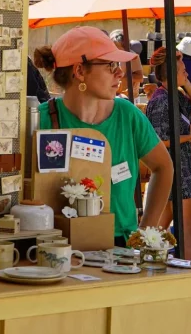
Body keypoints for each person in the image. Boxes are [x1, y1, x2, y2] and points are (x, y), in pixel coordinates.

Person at [34, 27, 174, 245]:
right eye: (110, 65)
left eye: (118, 65)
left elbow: (164, 167)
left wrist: (146, 232)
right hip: (55, 245)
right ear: (79, 71)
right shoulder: (39, 120)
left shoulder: (128, 115)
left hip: (120, 246)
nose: (119, 73)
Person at [144, 47, 191, 259]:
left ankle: (144, 256)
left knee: (161, 225)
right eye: (183, 71)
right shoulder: (161, 101)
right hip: (174, 168)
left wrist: (186, 82)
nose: (187, 74)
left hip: (181, 168)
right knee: (185, 225)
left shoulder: (175, 96)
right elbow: (160, 141)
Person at [109, 29, 144, 97]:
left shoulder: (133, 56)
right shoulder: (110, 56)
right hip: (113, 94)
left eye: (117, 47)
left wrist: (122, 77)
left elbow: (140, 77)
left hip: (128, 96)